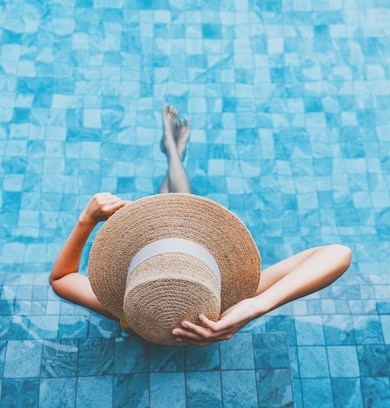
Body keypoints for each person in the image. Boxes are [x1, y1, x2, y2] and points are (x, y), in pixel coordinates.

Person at [50, 105, 351, 346]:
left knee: (173, 199)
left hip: (137, 320)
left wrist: (85, 221)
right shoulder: (225, 301)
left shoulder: (125, 307)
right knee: (177, 198)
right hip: (219, 303)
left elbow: (61, 278)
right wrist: (256, 306)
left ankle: (172, 151)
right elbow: (337, 253)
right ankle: (172, 152)